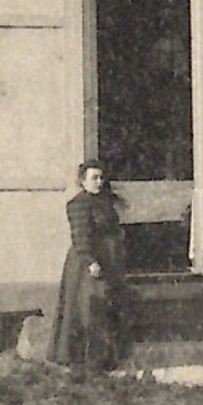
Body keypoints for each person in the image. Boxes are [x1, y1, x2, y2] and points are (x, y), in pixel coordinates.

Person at [47, 160, 129, 380]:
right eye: (94, 178)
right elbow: (80, 236)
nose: (99, 182)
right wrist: (91, 261)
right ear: (82, 181)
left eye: (101, 177)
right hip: (87, 266)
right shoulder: (79, 204)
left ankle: (102, 360)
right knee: (89, 309)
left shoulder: (103, 202)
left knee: (104, 307)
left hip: (108, 261)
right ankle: (83, 361)